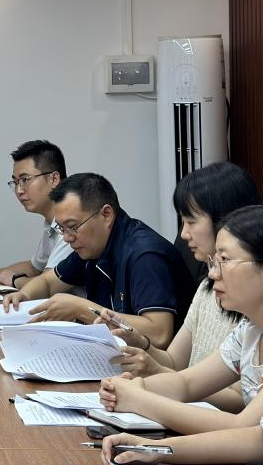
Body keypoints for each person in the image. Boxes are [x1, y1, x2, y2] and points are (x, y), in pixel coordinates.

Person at [98, 205, 263, 439]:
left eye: (225, 260)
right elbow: (187, 382)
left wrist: (139, 399)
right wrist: (130, 388)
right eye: (214, 262)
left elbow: (243, 429)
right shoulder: (249, 330)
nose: (212, 273)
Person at [102, 162, 258, 385]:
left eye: (191, 221)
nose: (184, 234)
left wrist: (157, 374)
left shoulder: (249, 300)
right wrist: (137, 340)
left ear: (226, 219)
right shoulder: (207, 288)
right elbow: (174, 362)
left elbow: (238, 396)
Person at [2, 172, 193, 349]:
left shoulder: (145, 255)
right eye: (61, 229)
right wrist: (24, 295)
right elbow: (48, 282)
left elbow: (160, 334)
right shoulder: (93, 247)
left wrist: (81, 309)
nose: (67, 238)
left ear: (106, 215)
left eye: (72, 226)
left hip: (154, 368)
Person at [0, 140, 73, 290]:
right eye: (16, 182)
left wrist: (14, 280)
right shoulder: (51, 223)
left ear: (54, 179)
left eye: (25, 180)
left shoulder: (72, 224)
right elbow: (34, 267)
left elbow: (47, 285)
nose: (19, 190)